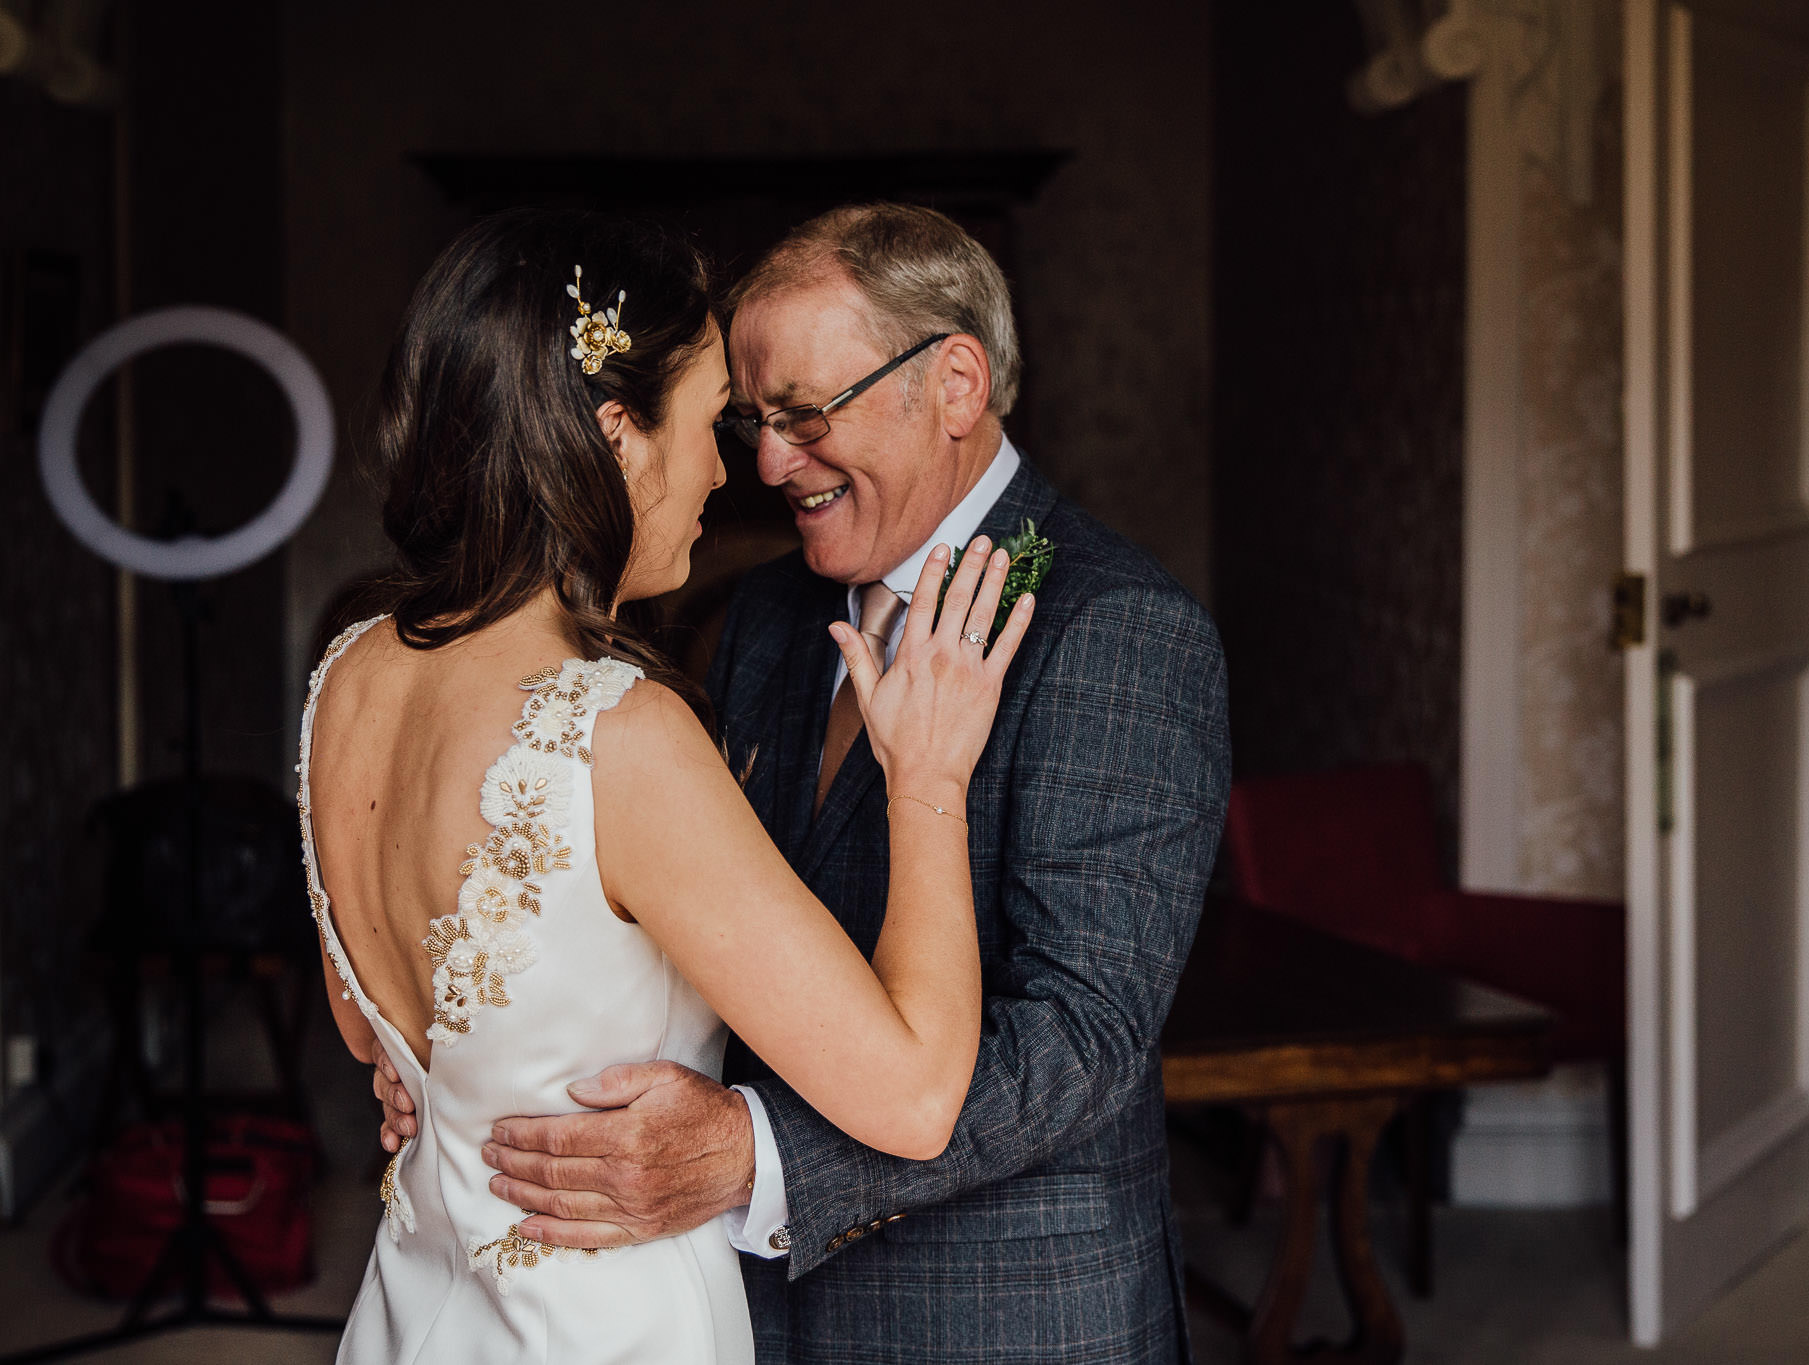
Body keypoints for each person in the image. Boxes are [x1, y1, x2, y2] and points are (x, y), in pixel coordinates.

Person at [378, 203, 1233, 1361]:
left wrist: (752, 1154)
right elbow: (687, 922)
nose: (768, 464)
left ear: (955, 384)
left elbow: (1084, 1037)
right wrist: (479, 1061)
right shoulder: (768, 614)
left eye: (803, 416)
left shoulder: (1119, 629)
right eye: (748, 420)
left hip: (1001, 1315)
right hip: (743, 1304)